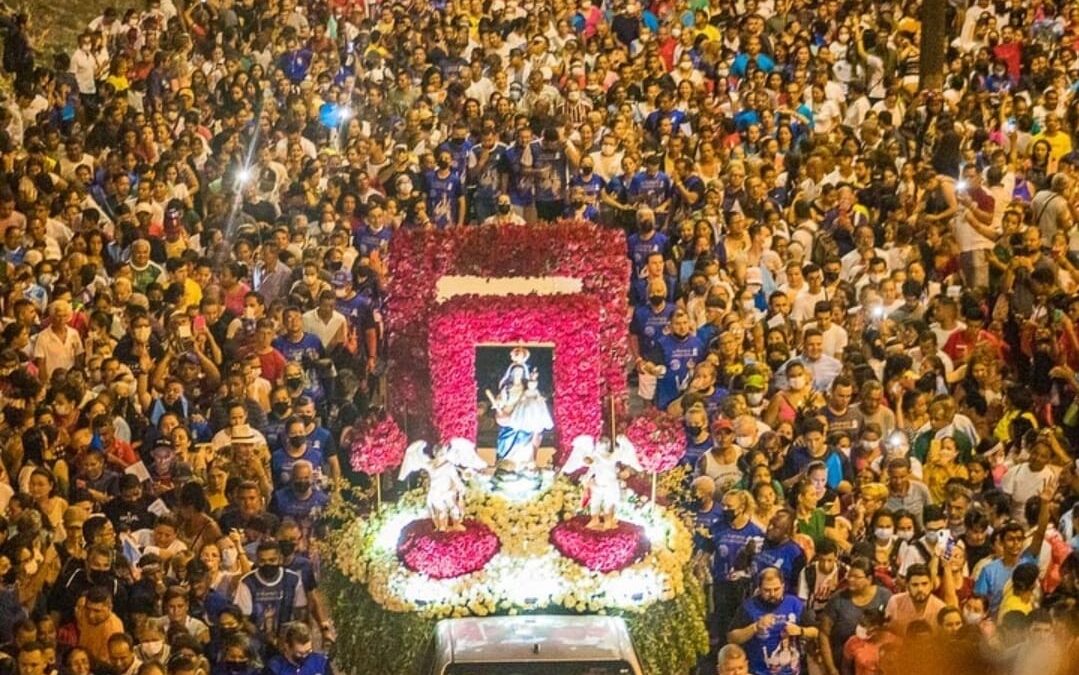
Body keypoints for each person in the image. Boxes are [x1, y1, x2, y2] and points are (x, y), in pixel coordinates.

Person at [726, 567, 819, 675]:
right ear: (759, 588)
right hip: (758, 671)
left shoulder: (795, 604)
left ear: (783, 586)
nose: (772, 594)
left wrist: (800, 630)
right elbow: (731, 638)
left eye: (776, 589)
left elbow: (816, 631)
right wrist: (755, 627)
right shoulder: (748, 607)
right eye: (767, 590)